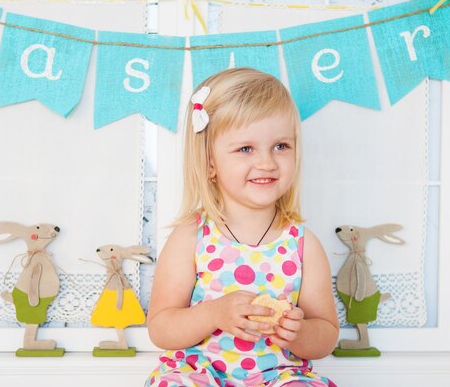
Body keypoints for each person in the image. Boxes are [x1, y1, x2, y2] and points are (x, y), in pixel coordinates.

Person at [145, 68, 338, 387]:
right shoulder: (191, 237)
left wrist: (300, 333)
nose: (267, 162)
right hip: (200, 372)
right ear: (209, 163)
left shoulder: (303, 244)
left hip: (277, 375)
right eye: (246, 149)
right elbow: (161, 327)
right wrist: (213, 314)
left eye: (281, 146)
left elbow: (326, 334)